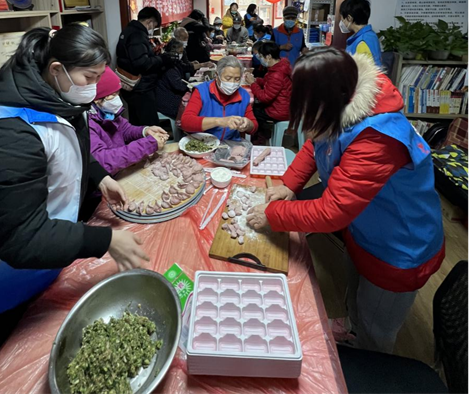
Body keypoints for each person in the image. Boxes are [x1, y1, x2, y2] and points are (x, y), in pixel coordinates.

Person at [0, 26, 149, 386]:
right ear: (56, 69)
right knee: (4, 372)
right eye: (89, 77)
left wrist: (98, 176)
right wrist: (105, 240)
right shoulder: (3, 131)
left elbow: (70, 143)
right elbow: (19, 238)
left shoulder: (58, 97)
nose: (94, 88)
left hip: (47, 257)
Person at [246, 48, 445, 354]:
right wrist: (289, 184)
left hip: (400, 247)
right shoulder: (341, 104)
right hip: (366, 227)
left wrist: (274, 214)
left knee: (376, 325)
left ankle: (368, 361)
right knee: (356, 294)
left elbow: (332, 211)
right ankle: (353, 327)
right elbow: (316, 142)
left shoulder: (378, 137)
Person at [89, 66, 168, 176]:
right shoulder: (88, 124)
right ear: (97, 99)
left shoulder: (107, 112)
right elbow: (103, 161)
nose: (117, 99)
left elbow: (124, 129)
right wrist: (148, 144)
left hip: (121, 168)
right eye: (112, 95)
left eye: (118, 94)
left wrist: (145, 131)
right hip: (107, 178)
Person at [116, 6, 174, 126]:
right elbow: (141, 63)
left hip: (133, 87)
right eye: (154, 26)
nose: (153, 29)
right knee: (149, 125)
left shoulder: (128, 30)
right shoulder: (138, 35)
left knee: (137, 123)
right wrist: (162, 59)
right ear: (150, 21)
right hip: (141, 88)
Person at [181, 56, 258, 141]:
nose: (232, 83)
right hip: (203, 142)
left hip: (230, 143)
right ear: (217, 76)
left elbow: (254, 126)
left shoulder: (243, 95)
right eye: (228, 78)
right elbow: (186, 122)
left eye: (237, 79)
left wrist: (247, 124)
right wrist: (219, 121)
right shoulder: (202, 91)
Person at [244, 41, 292, 142]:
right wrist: (256, 80)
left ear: (269, 56)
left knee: (253, 111)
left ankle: (260, 137)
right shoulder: (280, 65)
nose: (260, 59)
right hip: (283, 104)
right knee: (255, 106)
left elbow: (265, 97)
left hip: (280, 110)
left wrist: (252, 84)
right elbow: (268, 83)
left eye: (261, 56)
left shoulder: (277, 74)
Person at [340, 0, 382, 67]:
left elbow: (364, 71)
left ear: (349, 18)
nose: (342, 22)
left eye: (342, 19)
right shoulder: (368, 35)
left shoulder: (362, 42)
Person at [156, 38, 191, 120]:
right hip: (167, 101)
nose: (181, 54)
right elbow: (179, 85)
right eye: (180, 52)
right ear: (173, 51)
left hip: (167, 97)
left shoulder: (172, 63)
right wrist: (192, 86)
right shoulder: (169, 67)